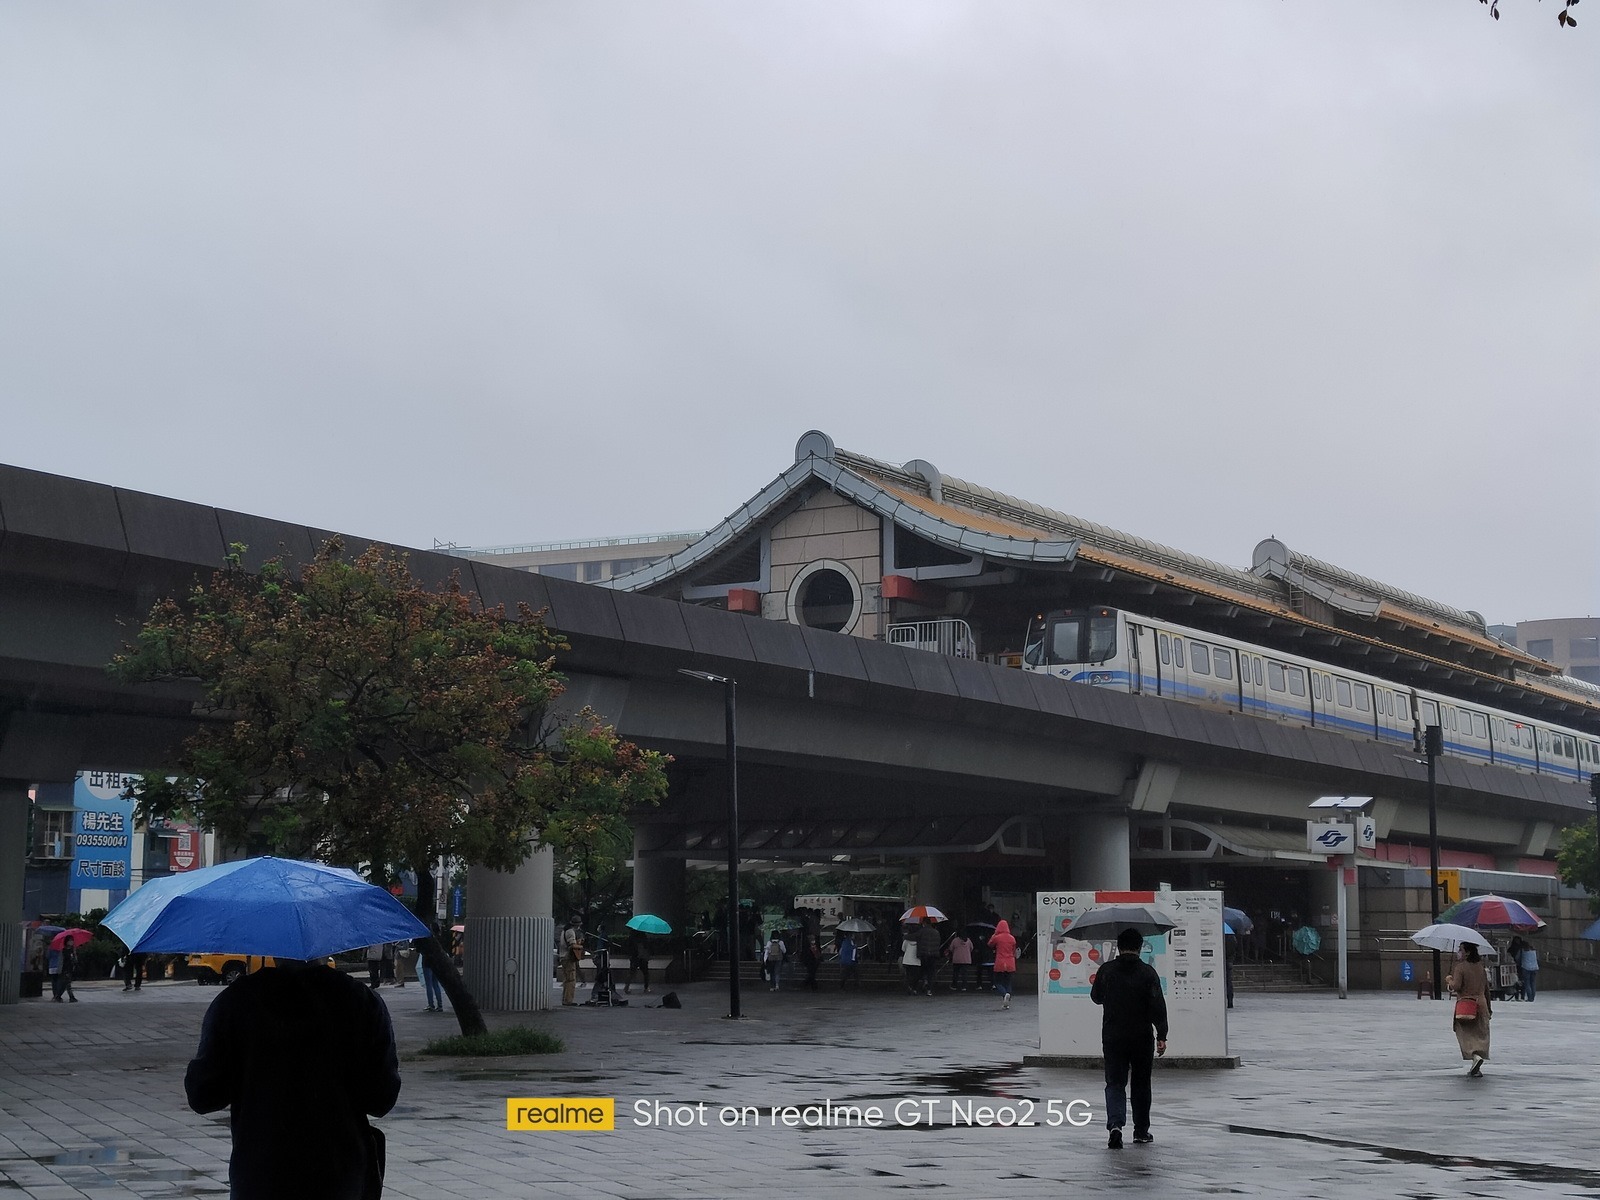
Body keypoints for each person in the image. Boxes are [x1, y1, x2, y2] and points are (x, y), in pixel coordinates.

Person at [185, 956, 400, 1199]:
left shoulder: (237, 1001)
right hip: (339, 1176)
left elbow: (203, 1095)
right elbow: (382, 1098)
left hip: (261, 1176)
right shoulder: (361, 1001)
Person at [1090, 928, 1169, 1149]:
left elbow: (1096, 997)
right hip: (1141, 1037)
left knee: (1115, 1082)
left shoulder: (1106, 970)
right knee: (1141, 1083)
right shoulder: (1148, 973)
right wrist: (1162, 1034)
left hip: (1113, 1035)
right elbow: (1157, 1005)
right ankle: (1141, 1131)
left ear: (1118, 946)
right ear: (1140, 947)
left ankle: (1115, 1125)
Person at [1446, 943, 1492, 1076]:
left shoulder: (1460, 967)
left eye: (1460, 949)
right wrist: (1489, 1008)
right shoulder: (1480, 967)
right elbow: (1486, 990)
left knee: (1465, 1033)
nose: (1458, 952)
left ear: (1467, 952)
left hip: (1466, 1005)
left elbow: (1457, 986)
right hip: (1481, 1004)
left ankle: (1474, 1056)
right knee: (1480, 1034)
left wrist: (1449, 980)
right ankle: (1477, 1059)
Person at [989, 919, 1018, 1010]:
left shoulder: (997, 937)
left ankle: (1004, 994)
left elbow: (990, 944)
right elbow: (1014, 951)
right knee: (1008, 982)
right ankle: (1007, 1000)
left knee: (997, 982)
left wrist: (994, 935)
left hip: (1000, 962)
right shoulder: (1012, 938)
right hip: (1010, 963)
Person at [417, 924, 446, 1013]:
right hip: (437, 962)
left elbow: (419, 949)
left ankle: (431, 1004)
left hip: (427, 962)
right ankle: (440, 1005)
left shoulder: (425, 938)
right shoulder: (439, 938)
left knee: (429, 984)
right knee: (435, 984)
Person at [560, 915, 585, 1007]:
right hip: (568, 958)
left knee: (566, 980)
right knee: (571, 980)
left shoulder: (564, 931)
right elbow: (572, 946)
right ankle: (568, 1000)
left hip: (563, 957)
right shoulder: (570, 932)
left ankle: (565, 999)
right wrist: (580, 945)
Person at [915, 918, 943, 996]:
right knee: (931, 972)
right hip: (933, 955)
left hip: (923, 954)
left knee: (922, 971)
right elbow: (938, 943)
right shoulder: (936, 932)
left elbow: (917, 940)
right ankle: (929, 990)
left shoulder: (921, 931)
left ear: (924, 923)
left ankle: (923, 982)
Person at [623, 930, 650, 995]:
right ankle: (646, 987)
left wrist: (630, 955)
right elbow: (646, 946)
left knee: (631, 973)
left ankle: (626, 987)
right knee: (646, 973)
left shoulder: (631, 937)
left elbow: (628, 946)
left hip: (634, 957)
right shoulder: (643, 936)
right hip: (642, 957)